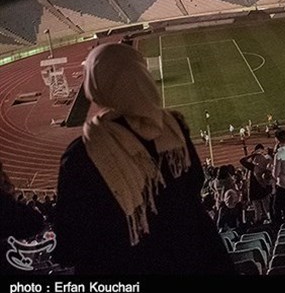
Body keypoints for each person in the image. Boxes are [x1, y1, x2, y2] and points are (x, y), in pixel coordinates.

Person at [51, 43, 233, 275]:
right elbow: (194, 183)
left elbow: (70, 243)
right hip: (195, 255)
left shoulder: (81, 155)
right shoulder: (173, 126)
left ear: (96, 86)